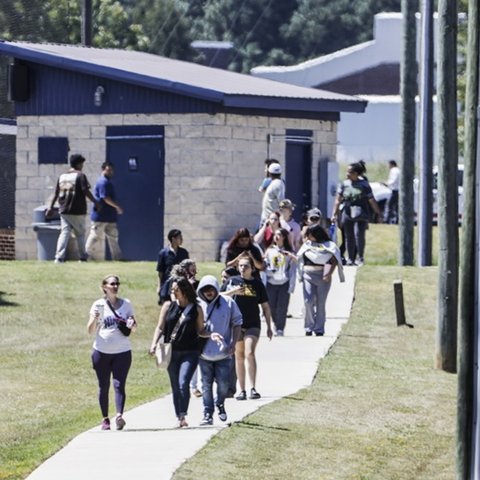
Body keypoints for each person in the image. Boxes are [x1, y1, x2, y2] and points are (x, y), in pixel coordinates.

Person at [149, 276, 205, 428]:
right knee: (175, 386)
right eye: (172, 289)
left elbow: (201, 330)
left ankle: (183, 414)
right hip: (171, 351)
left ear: (184, 290)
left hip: (190, 352)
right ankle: (179, 417)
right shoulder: (168, 306)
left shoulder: (196, 308)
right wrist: (154, 343)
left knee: (183, 382)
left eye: (176, 289)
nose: (173, 292)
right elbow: (160, 327)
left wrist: (212, 334)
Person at [87, 275, 137, 430]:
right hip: (101, 352)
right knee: (104, 385)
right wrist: (94, 319)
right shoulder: (99, 305)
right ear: (104, 287)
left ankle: (119, 415)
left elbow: (134, 328)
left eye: (117, 284)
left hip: (122, 351)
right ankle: (105, 419)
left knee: (119, 384)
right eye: (112, 284)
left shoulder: (126, 304)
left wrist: (131, 324)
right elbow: (90, 330)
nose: (115, 286)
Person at [222, 254, 273, 400]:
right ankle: (242, 390)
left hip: (253, 324)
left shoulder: (257, 284)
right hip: (236, 325)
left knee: (249, 353)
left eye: (246, 266)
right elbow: (219, 295)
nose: (243, 268)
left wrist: (269, 326)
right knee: (239, 356)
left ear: (252, 268)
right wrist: (233, 291)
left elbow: (265, 307)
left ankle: (253, 388)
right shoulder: (232, 281)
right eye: (241, 266)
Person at [197, 275, 243, 425]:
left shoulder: (228, 303)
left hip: (224, 353)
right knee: (206, 385)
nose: (208, 292)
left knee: (223, 384)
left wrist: (233, 343)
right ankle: (207, 413)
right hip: (204, 354)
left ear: (216, 289)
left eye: (211, 289)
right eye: (205, 290)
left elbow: (237, 323)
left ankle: (220, 403)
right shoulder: (198, 305)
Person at [46, 154, 98, 263]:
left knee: (64, 233)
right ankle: (83, 257)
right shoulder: (80, 176)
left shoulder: (62, 176)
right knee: (80, 234)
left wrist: (50, 207)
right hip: (77, 210)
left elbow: (56, 193)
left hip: (64, 210)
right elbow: (86, 191)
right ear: (79, 164)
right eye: (82, 164)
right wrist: (95, 202)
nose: (82, 166)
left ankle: (59, 257)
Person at [330, 162, 382, 266]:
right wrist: (334, 214)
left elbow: (371, 200)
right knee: (348, 236)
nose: (347, 174)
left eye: (350, 172)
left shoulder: (364, 185)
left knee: (359, 235)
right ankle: (350, 259)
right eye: (347, 172)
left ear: (357, 174)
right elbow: (338, 200)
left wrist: (378, 213)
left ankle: (360, 257)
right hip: (347, 212)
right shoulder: (344, 184)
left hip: (361, 212)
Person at [296, 225, 343, 337]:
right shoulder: (307, 245)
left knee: (320, 303)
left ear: (316, 234)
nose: (308, 237)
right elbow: (300, 257)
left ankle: (319, 329)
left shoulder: (329, 245)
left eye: (309, 235)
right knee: (308, 301)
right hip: (308, 275)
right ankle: (309, 327)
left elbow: (334, 259)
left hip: (323, 277)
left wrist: (329, 273)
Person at [85, 161, 123, 260]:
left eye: (111, 170)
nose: (111, 172)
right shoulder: (103, 182)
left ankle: (117, 258)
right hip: (100, 216)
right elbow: (105, 198)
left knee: (113, 238)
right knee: (94, 236)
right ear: (103, 170)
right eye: (108, 170)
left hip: (109, 216)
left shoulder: (107, 182)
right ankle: (85, 256)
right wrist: (117, 207)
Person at [263, 228, 297, 336]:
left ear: (284, 237)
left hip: (284, 282)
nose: (276, 237)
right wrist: (269, 272)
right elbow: (264, 266)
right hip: (271, 282)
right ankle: (275, 323)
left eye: (279, 235)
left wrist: (291, 285)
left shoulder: (289, 252)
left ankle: (280, 328)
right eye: (275, 235)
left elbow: (293, 268)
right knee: (271, 305)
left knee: (282, 306)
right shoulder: (269, 251)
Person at [156, 229, 189, 304]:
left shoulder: (184, 253)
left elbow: (187, 269)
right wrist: (159, 286)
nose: (182, 239)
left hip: (180, 285)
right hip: (167, 285)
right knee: (167, 305)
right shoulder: (163, 253)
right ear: (173, 239)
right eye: (180, 237)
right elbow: (160, 272)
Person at [383, 160, 400, 224]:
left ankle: (387, 219)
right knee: (397, 207)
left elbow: (393, 180)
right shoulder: (398, 170)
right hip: (398, 191)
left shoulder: (394, 170)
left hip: (395, 191)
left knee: (389, 205)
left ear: (391, 164)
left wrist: (387, 184)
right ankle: (397, 220)